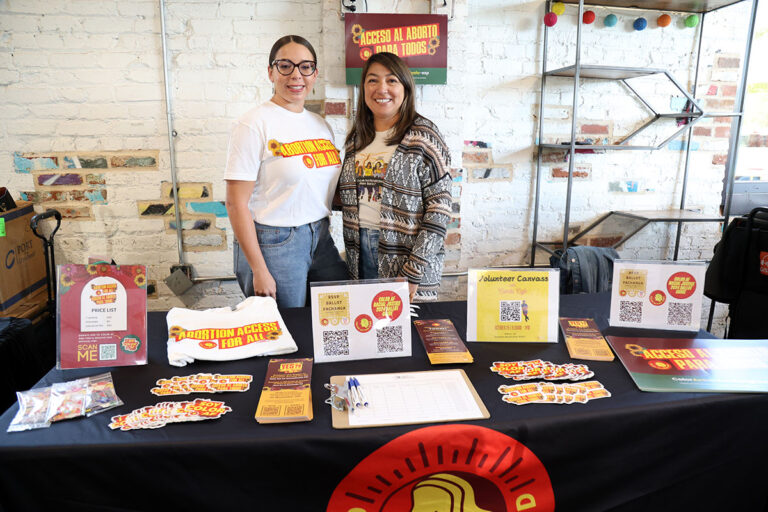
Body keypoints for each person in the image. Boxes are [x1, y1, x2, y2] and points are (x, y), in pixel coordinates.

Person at [224, 35, 347, 308]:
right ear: (270, 72)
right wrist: (259, 270)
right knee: (289, 327)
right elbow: (235, 203)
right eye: (285, 66)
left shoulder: (320, 125)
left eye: (305, 67)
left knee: (336, 314)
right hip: (275, 242)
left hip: (321, 236)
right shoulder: (253, 124)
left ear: (314, 74)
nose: (296, 75)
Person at [338, 52, 451, 302]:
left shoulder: (424, 136)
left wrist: (413, 271)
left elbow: (440, 210)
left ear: (406, 88)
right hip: (361, 248)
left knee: (405, 334)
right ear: (363, 88)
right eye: (372, 80)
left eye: (391, 80)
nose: (382, 88)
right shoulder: (356, 139)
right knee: (367, 328)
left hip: (407, 254)